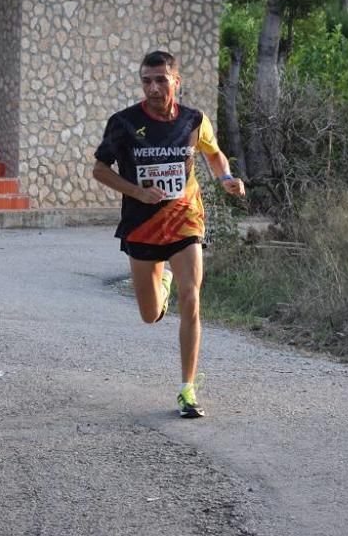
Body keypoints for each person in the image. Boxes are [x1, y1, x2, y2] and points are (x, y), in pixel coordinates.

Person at [93, 50, 246, 418]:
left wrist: (225, 178)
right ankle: (162, 286)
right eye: (147, 80)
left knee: (192, 299)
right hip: (142, 223)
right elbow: (100, 169)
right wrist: (138, 192)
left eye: (161, 79)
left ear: (176, 80)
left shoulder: (194, 120)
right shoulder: (123, 123)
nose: (154, 87)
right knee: (149, 314)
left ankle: (187, 389)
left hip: (184, 218)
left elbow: (214, 154)